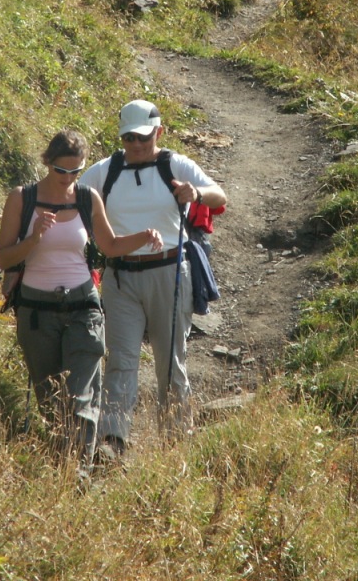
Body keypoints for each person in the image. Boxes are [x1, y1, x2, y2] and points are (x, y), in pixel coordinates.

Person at [0, 130, 162, 484]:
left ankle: (80, 473)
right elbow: (4, 257)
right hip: (36, 312)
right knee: (51, 400)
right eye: (62, 171)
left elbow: (110, 246)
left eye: (76, 171)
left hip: (83, 307)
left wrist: (145, 237)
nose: (69, 178)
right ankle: (64, 470)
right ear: (47, 163)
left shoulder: (87, 198)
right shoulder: (22, 198)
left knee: (81, 396)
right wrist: (34, 238)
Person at [80, 100, 227, 463]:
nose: (136, 144)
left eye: (143, 137)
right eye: (129, 137)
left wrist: (196, 193)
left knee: (170, 362)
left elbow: (219, 195)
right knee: (121, 361)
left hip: (170, 272)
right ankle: (113, 442)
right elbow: (72, 197)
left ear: (159, 132)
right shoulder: (105, 171)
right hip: (120, 277)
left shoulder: (175, 165)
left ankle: (175, 440)